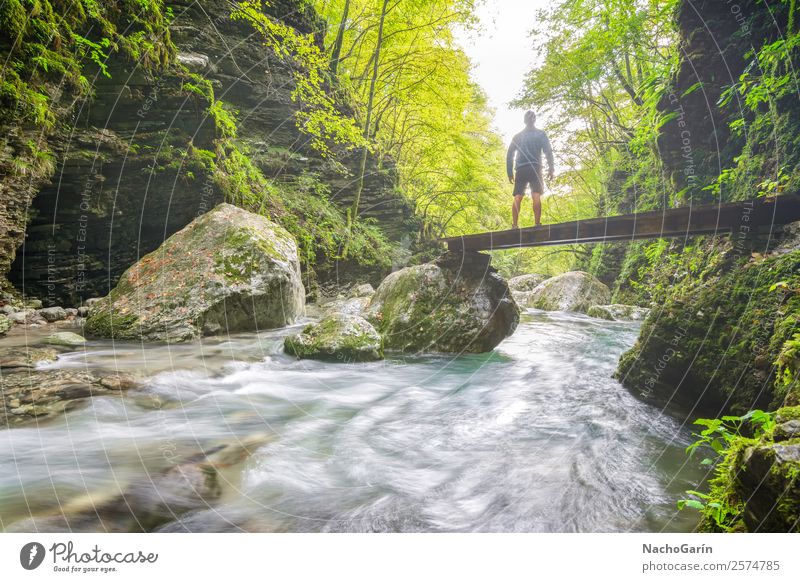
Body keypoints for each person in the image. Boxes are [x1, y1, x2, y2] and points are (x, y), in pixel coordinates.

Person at [506, 110, 554, 228]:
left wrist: (509, 172)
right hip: (535, 168)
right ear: (534, 120)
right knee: (536, 195)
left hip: (521, 169)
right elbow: (548, 152)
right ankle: (537, 224)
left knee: (518, 196)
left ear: (524, 121)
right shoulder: (541, 134)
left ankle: (515, 225)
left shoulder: (517, 136)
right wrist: (551, 168)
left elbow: (510, 154)